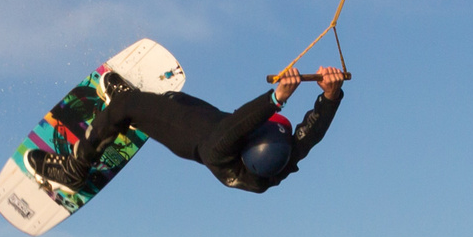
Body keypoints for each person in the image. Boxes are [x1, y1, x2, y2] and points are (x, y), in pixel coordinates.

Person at [30, 63, 347, 194]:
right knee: (172, 98)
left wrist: (276, 99)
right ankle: (142, 108)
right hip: (210, 123)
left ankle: (75, 168)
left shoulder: (222, 148)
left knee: (124, 108)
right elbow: (310, 135)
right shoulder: (278, 159)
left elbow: (237, 124)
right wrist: (330, 96)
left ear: (251, 138)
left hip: (193, 136)